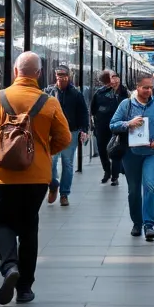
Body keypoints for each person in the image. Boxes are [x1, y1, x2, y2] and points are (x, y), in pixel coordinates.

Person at [0, 51, 70, 305]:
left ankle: (9, 267)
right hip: (37, 178)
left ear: (15, 72)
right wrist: (42, 153)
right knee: (29, 228)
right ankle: (25, 289)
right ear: (39, 74)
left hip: (3, 176)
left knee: (3, 223)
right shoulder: (49, 102)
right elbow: (65, 138)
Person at [110, 75, 154, 241]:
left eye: (151, 87)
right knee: (133, 191)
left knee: (150, 186)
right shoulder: (126, 105)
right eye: (145, 87)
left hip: (152, 154)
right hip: (131, 154)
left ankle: (148, 224)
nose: (149, 90)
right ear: (137, 87)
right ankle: (136, 223)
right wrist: (128, 123)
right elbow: (113, 124)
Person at [49, 65, 89, 207]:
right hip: (52, 133)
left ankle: (64, 193)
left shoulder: (76, 94)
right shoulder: (49, 92)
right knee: (51, 162)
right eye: (59, 75)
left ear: (69, 76)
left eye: (64, 75)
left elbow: (84, 112)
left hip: (71, 132)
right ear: (55, 76)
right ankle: (53, 184)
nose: (61, 77)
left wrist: (84, 129)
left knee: (68, 163)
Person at [91, 69, 128, 186]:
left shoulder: (125, 92)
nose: (114, 79)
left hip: (118, 126)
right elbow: (93, 110)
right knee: (102, 150)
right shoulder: (99, 93)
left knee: (116, 149)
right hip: (102, 126)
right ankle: (107, 171)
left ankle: (115, 176)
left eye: (115, 77)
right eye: (111, 77)